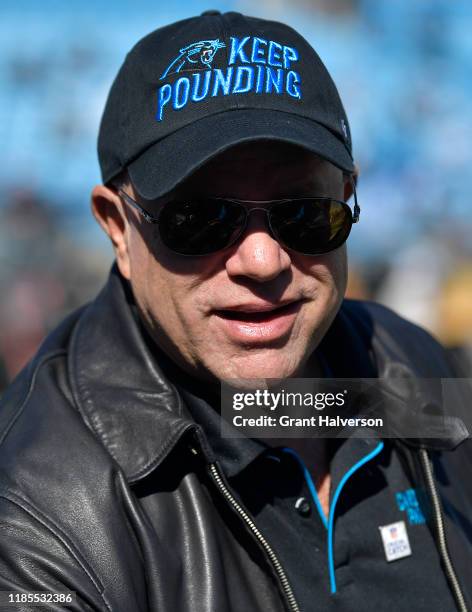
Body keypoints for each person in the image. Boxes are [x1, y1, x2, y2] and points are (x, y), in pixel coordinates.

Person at [0, 11, 471, 612]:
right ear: (117, 228)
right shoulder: (33, 511)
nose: (262, 258)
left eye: (304, 209)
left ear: (350, 198)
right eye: (200, 218)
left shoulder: (410, 361)